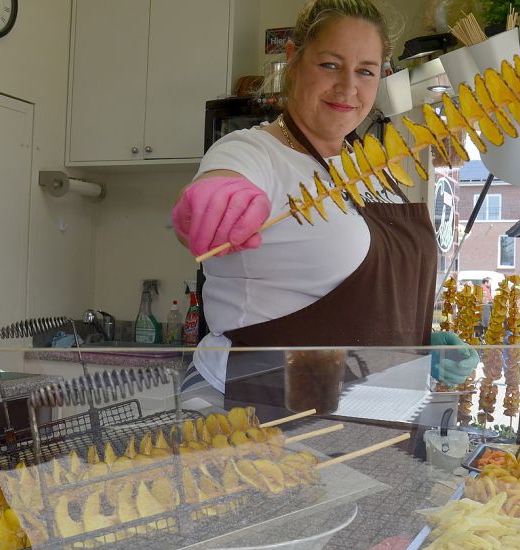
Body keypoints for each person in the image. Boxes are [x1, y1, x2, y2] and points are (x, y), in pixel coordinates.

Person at [170, 1, 471, 398]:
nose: (348, 88)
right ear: (295, 59)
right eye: (330, 65)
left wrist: (419, 345)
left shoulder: (374, 168)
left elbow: (368, 304)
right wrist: (212, 200)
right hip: (262, 411)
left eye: (365, 71)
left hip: (374, 421)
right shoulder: (252, 152)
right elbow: (219, 181)